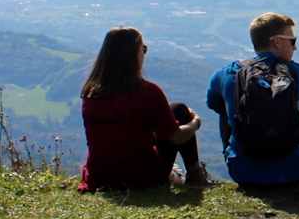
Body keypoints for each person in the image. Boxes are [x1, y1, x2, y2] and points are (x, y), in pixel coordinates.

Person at [77, 26, 205, 192]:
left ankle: (187, 174)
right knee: (180, 110)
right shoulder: (148, 92)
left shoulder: (91, 93)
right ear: (133, 55)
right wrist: (195, 122)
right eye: (143, 49)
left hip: (100, 175)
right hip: (141, 175)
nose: (144, 54)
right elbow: (176, 137)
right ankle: (195, 175)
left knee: (172, 111)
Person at [206, 13, 299, 188]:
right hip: (293, 171)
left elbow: (213, 103)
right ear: (277, 42)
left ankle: (237, 153)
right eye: (292, 41)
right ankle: (295, 157)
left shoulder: (227, 73)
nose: (294, 48)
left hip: (242, 172)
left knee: (226, 107)